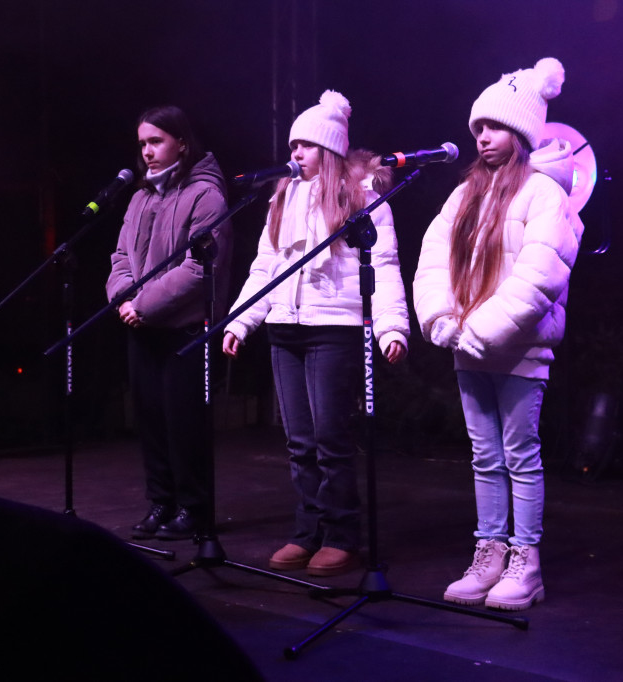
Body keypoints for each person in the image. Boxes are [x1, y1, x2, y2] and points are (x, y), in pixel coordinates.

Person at [413, 58, 583, 610]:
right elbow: (433, 260)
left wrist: (484, 328)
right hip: (470, 347)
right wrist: (443, 319)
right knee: (484, 456)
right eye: (477, 128)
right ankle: (488, 552)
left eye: (493, 126)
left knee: (519, 453)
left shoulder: (544, 194)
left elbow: (541, 273)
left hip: (518, 348)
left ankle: (524, 561)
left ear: (522, 131)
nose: (482, 136)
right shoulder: (465, 195)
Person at [222, 90, 410, 577]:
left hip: (334, 329)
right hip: (286, 327)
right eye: (292, 146)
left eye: (304, 146)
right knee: (299, 440)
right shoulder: (283, 195)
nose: (295, 155)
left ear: (327, 148)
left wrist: (392, 327)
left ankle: (342, 537)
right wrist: (241, 320)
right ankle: (307, 531)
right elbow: (266, 265)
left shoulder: (362, 194)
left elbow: (383, 265)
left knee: (331, 438)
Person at [106, 105, 232, 541]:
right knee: (151, 420)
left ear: (181, 141)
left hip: (185, 329)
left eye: (156, 141)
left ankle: (194, 509)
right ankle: (161, 503)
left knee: (184, 424)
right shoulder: (140, 197)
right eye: (142, 143)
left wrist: (142, 305)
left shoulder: (206, 196)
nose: (147, 151)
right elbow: (120, 257)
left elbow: (199, 270)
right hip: (143, 327)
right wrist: (125, 299)